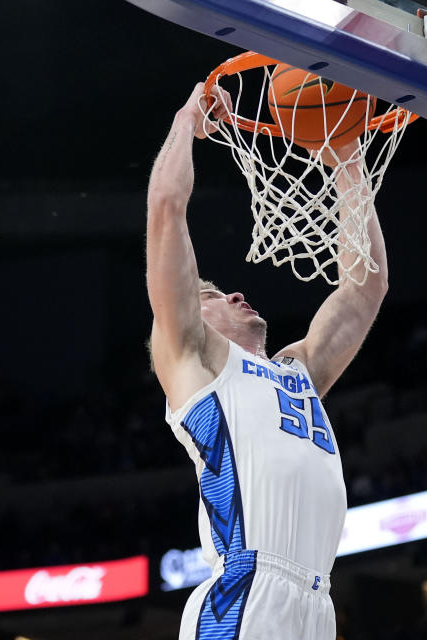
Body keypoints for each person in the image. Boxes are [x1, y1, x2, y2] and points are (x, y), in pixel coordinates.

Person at [145, 82, 388, 640]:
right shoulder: (197, 364)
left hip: (316, 602)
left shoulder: (295, 372)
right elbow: (165, 210)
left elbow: (366, 289)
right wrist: (187, 121)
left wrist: (346, 159)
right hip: (246, 593)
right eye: (212, 297)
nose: (233, 295)